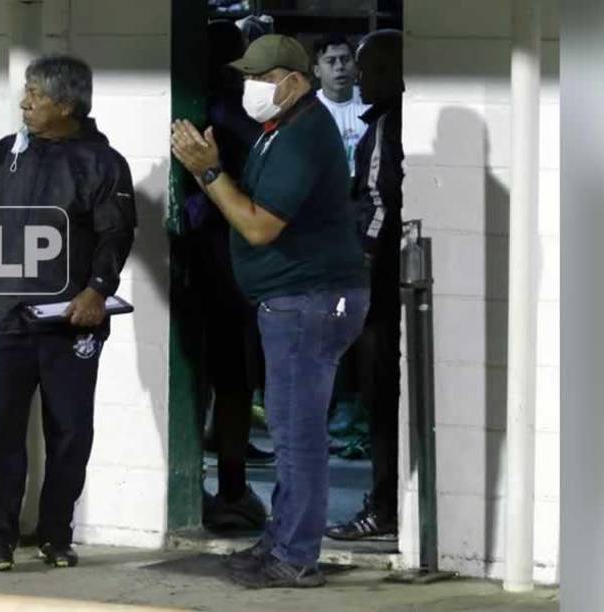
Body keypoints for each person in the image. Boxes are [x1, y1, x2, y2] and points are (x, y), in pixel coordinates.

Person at [0, 55, 136, 572]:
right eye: (26, 94)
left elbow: (116, 233)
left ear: (66, 105)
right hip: (7, 321)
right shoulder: (10, 154)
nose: (24, 104)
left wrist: (97, 290)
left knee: (69, 434)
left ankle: (57, 536)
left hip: (70, 323)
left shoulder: (103, 164)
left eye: (35, 96)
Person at [171, 34, 370, 589]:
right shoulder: (279, 129)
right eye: (247, 77)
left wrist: (210, 174)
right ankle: (282, 540)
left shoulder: (303, 136)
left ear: (293, 80)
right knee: (288, 430)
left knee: (299, 434)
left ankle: (297, 555)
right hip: (294, 301)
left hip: (310, 302)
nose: (250, 88)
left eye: (260, 79)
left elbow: (259, 226)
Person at [325, 29, 406, 542]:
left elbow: (377, 204)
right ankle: (386, 500)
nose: (357, 74)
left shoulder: (385, 125)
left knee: (381, 399)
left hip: (378, 288)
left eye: (369, 67)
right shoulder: (388, 120)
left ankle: (384, 505)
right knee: (379, 398)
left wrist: (360, 265)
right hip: (387, 286)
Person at [190, 19, 268, 534]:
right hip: (229, 263)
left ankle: (227, 486)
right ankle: (234, 489)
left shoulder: (194, 110)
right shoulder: (233, 116)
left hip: (203, 260)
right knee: (234, 382)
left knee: (215, 379)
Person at [312, 34, 371, 177]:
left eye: (345, 60)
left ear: (356, 67)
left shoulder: (372, 104)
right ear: (317, 71)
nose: (339, 67)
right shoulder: (308, 109)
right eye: (331, 61)